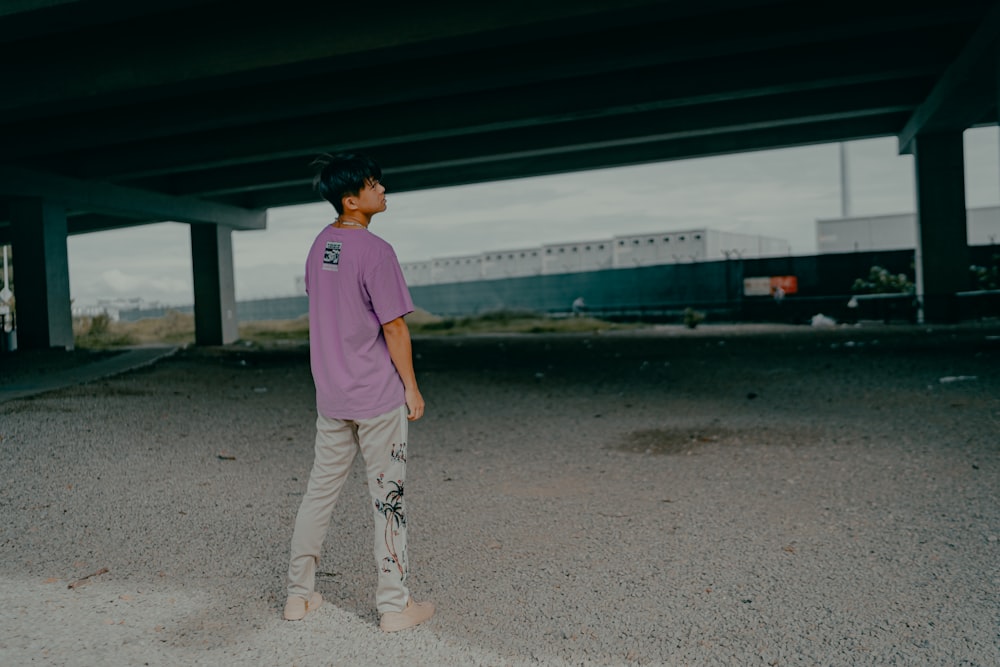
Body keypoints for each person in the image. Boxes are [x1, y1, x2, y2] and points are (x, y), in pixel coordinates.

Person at [283, 151, 434, 633]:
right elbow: (394, 329)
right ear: (352, 201)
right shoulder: (376, 251)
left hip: (332, 398)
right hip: (375, 397)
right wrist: (411, 387)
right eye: (374, 185)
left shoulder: (318, 246)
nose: (383, 190)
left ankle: (297, 597)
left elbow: (330, 310)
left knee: (318, 495)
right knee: (388, 496)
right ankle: (394, 607)